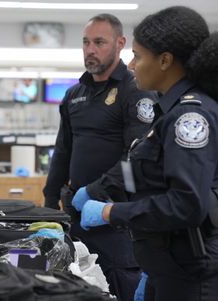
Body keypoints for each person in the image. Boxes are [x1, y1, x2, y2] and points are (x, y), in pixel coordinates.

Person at [75, 6, 218, 301]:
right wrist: (98, 188)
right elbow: (138, 173)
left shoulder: (190, 118)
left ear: (165, 61)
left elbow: (186, 204)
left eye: (138, 56)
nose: (130, 65)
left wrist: (110, 211)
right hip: (164, 265)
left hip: (191, 274)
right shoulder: (166, 112)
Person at [43, 14, 158, 301]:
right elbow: (63, 151)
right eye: (85, 42)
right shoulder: (73, 94)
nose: (90, 49)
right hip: (76, 214)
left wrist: (95, 192)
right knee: (78, 289)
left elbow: (137, 154)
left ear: (120, 44)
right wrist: (48, 208)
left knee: (119, 287)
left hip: (115, 218)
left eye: (99, 42)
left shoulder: (136, 90)